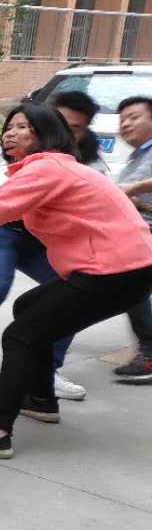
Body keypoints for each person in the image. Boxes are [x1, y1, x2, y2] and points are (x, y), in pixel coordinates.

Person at [0, 103, 152, 458]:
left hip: (112, 270)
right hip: (128, 268)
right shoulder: (52, 168)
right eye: (9, 126)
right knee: (29, 307)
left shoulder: (47, 168)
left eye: (23, 127)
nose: (10, 133)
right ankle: (41, 399)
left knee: (20, 335)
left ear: (46, 133)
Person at [0, 94, 106, 400]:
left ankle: (48, 370)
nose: (11, 133)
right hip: (3, 231)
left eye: (76, 127)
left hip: (42, 239)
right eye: (10, 127)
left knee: (71, 291)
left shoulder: (87, 156)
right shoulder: (16, 152)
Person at [112, 95, 152, 383]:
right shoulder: (137, 157)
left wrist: (133, 189)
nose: (125, 124)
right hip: (138, 234)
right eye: (122, 119)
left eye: (133, 117)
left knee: (131, 287)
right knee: (131, 289)